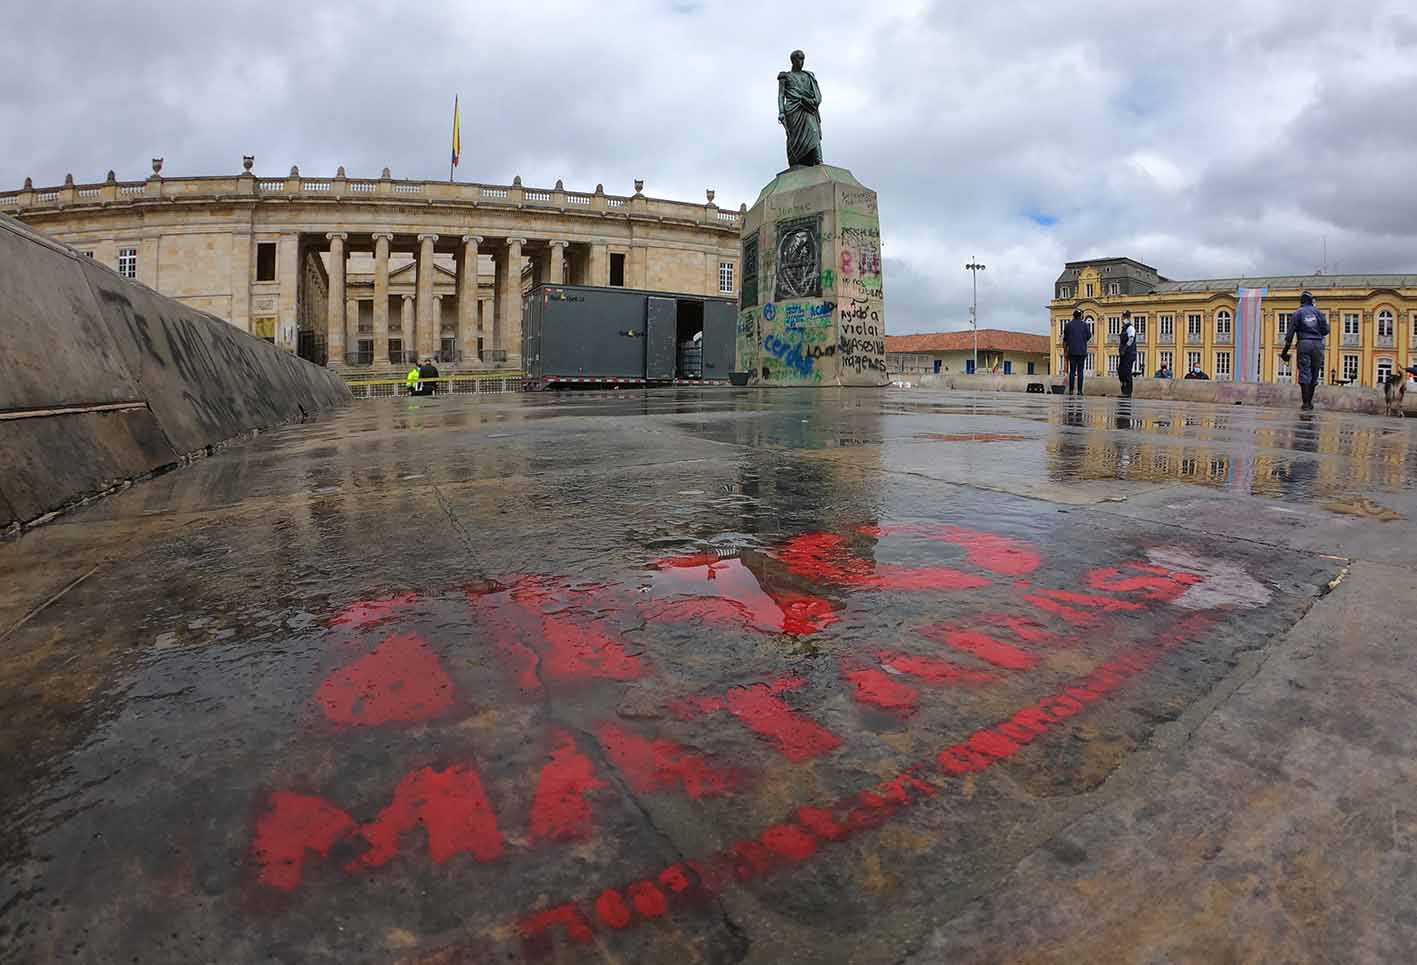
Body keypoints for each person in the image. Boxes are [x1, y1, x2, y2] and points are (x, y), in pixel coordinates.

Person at [1280, 290, 1329, 411]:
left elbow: (1290, 335)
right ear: (1311, 301)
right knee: (1314, 373)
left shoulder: (1298, 313)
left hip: (1304, 344)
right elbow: (1326, 330)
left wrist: (1284, 352)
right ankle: (1310, 402)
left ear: (1301, 301)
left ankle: (1306, 403)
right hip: (1318, 345)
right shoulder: (1318, 313)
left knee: (1304, 373)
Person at [778, 50, 823, 168]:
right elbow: (781, 95)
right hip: (793, 110)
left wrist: (810, 101)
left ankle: (818, 161)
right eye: (799, 59)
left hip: (808, 108)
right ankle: (796, 162)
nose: (801, 62)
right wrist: (781, 112)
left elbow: (816, 95)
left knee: (814, 132)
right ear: (793, 60)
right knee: (794, 138)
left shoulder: (809, 76)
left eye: (803, 59)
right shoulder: (785, 76)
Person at [1062, 308, 1091, 397]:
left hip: (1072, 351)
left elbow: (1065, 339)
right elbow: (1089, 336)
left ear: (1073, 316)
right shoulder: (1085, 325)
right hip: (1082, 351)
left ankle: (1071, 390)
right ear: (1081, 316)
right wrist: (1082, 341)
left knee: (1072, 371)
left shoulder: (1068, 325)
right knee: (1080, 371)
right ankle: (1079, 391)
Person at [1117, 310, 1138, 398]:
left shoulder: (1130, 328)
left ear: (1129, 318)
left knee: (1127, 372)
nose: (1124, 319)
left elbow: (1131, 339)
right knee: (1121, 371)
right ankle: (1124, 389)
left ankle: (1128, 392)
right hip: (1124, 354)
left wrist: (1125, 348)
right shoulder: (1124, 328)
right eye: (1123, 317)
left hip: (1129, 353)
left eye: (1126, 317)